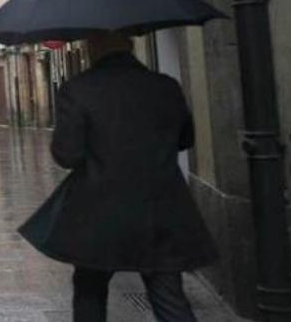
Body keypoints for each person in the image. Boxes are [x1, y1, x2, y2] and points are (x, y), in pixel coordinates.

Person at [19, 33, 217, 322]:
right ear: (130, 44)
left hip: (99, 212)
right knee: (169, 295)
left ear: (91, 48)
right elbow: (185, 139)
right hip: (159, 208)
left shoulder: (78, 90)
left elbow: (67, 155)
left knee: (90, 291)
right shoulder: (165, 86)